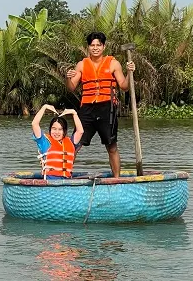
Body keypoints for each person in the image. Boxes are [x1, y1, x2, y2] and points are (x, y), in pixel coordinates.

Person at [66, 31, 135, 178]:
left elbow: (124, 86)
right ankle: (64, 176)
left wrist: (130, 73)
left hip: (106, 108)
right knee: (75, 144)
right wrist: (68, 78)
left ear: (103, 47)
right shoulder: (81, 65)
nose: (95, 48)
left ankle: (116, 179)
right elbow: (71, 87)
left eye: (98, 45)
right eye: (92, 45)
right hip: (87, 108)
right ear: (88, 47)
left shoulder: (113, 63)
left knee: (111, 146)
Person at [32, 104, 84, 179]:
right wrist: (44, 107)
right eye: (54, 129)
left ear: (64, 131)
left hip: (67, 180)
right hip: (50, 179)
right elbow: (34, 124)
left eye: (60, 129)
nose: (56, 132)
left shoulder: (71, 142)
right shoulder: (44, 142)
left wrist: (74, 113)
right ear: (50, 129)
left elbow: (80, 131)